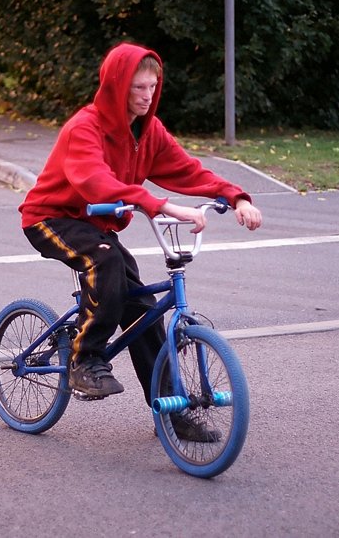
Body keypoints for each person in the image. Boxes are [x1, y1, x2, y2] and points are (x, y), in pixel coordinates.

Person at [19, 42, 262, 442]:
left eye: (152, 87)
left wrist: (234, 196)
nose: (147, 96)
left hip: (96, 226)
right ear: (117, 87)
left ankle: (171, 413)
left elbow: (187, 169)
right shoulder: (85, 127)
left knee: (144, 313)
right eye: (138, 88)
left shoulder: (148, 131)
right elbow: (94, 181)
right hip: (51, 217)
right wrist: (158, 204)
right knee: (105, 262)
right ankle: (85, 358)